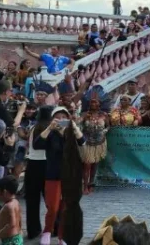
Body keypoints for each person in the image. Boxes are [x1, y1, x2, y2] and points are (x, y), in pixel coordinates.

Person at [33, 106, 85, 245]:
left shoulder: (71, 133)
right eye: (58, 117)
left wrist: (74, 127)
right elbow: (37, 144)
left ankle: (63, 237)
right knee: (53, 207)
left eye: (64, 117)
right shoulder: (50, 133)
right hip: (53, 174)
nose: (61, 120)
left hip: (69, 175)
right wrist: (50, 127)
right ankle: (47, 232)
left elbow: (83, 142)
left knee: (66, 208)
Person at [25, 106, 51, 241]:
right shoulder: (48, 129)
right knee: (51, 200)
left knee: (32, 200)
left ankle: (33, 229)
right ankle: (54, 228)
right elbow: (37, 145)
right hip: (46, 165)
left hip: (32, 165)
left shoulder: (34, 127)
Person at [80, 96, 109, 195]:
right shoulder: (84, 115)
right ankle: (85, 186)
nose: (93, 104)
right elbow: (78, 124)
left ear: (99, 104)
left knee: (95, 163)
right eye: (91, 102)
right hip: (87, 141)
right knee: (87, 164)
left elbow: (109, 126)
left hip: (99, 142)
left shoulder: (104, 115)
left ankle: (91, 184)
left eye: (95, 102)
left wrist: (104, 131)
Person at [0, 175, 23, 245]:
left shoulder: (8, 206)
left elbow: (11, 224)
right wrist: (20, 231)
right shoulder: (16, 202)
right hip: (16, 238)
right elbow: (19, 219)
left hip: (11, 241)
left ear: (5, 192)